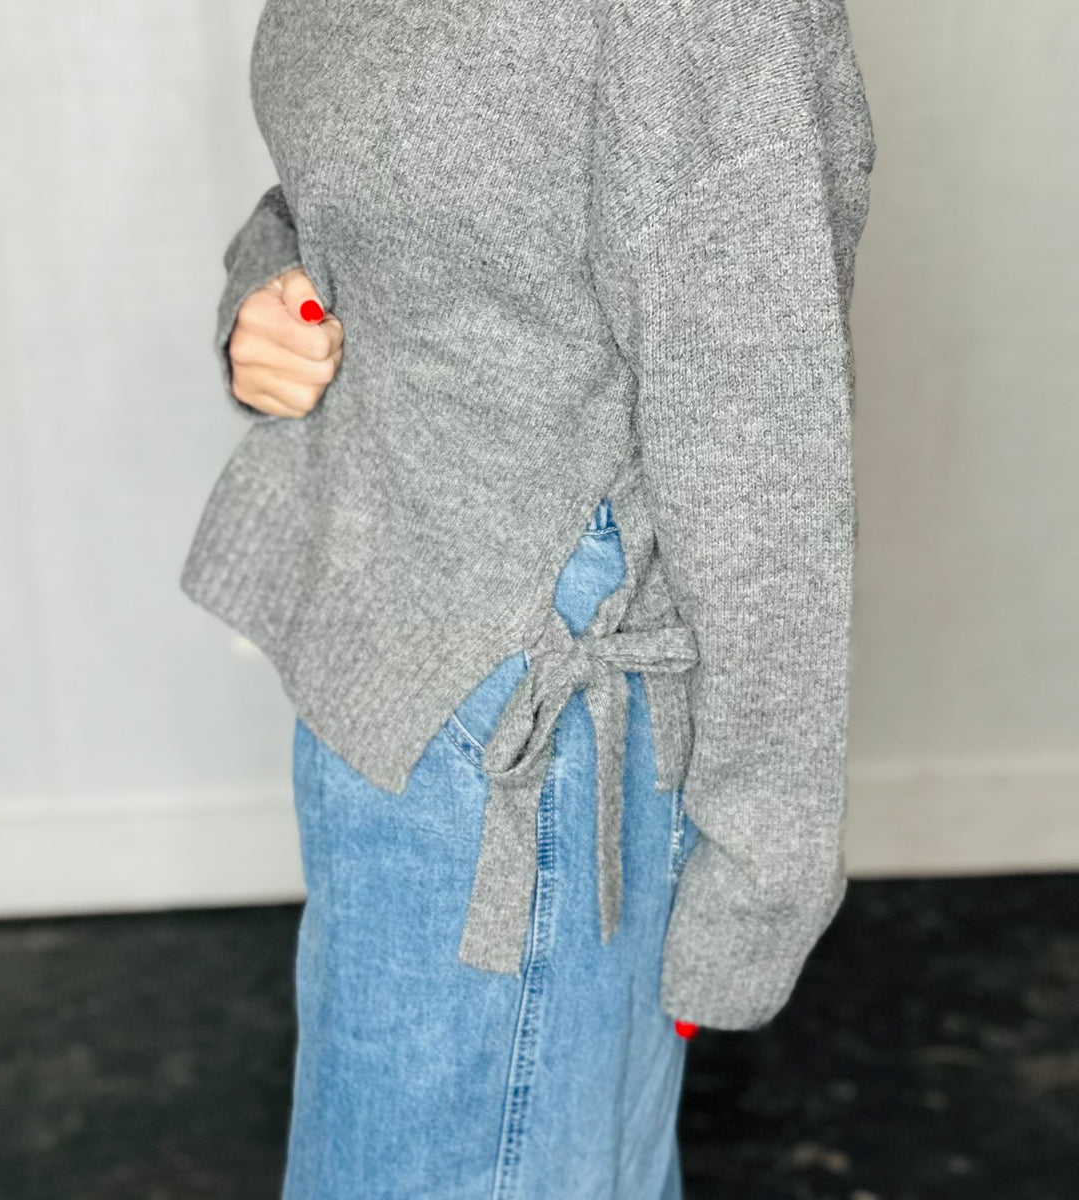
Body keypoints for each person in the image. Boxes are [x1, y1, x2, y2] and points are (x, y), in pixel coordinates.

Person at [180, 2, 876, 1196]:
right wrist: (271, 292)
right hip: (375, 663)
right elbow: (353, 194)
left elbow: (766, 458)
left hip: (530, 738)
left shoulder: (694, 22)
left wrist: (760, 880)